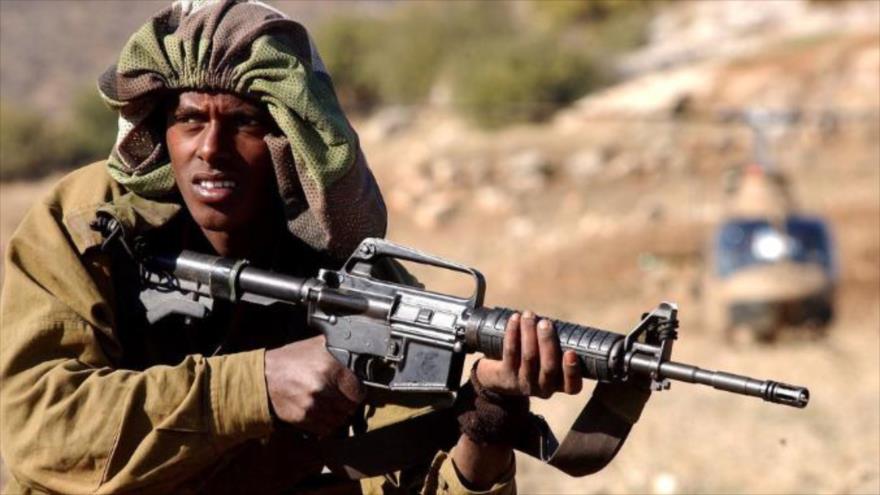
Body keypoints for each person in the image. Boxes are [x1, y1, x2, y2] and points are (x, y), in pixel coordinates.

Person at [0, 1, 649, 493]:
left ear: (287, 142)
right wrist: (257, 385)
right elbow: (37, 430)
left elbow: (427, 480)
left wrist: (490, 413)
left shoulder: (343, 265)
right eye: (189, 118)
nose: (211, 149)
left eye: (246, 122)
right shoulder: (87, 224)